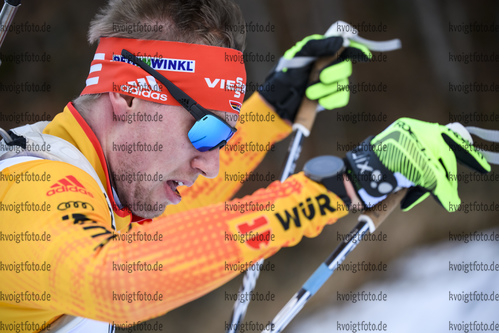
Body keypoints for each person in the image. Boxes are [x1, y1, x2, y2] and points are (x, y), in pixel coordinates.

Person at [0, 0, 490, 332]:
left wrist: (274, 108)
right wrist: (337, 189)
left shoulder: (107, 192)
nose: (211, 167)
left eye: (223, 137)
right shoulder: (26, 192)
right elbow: (122, 277)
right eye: (205, 131)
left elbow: (173, 224)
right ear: (129, 94)